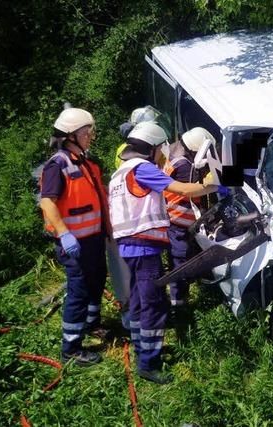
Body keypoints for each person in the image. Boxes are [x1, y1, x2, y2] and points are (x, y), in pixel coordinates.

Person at [109, 121, 217, 384]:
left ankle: (141, 349)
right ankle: (149, 364)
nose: (163, 155)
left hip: (128, 246)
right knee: (154, 304)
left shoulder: (119, 172)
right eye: (161, 149)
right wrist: (211, 183)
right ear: (153, 147)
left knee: (137, 301)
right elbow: (180, 189)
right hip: (144, 246)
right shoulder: (142, 168)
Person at [39, 107, 109, 366]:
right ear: (71, 135)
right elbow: (48, 202)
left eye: (90, 130)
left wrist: (106, 231)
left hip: (92, 239)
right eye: (86, 131)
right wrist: (65, 234)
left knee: (96, 280)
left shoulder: (85, 163)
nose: (90, 135)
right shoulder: (58, 164)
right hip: (73, 242)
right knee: (78, 291)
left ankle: (92, 324)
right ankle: (71, 348)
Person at [162, 128, 215, 310]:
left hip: (175, 221)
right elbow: (199, 186)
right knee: (181, 263)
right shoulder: (185, 166)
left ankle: (186, 296)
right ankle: (179, 306)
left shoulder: (174, 156)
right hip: (179, 222)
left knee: (183, 259)